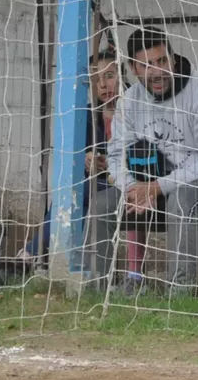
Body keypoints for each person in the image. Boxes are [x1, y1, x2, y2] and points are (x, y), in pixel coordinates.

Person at [86, 28, 198, 294]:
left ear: (173, 59)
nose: (157, 71)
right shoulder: (130, 102)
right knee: (102, 204)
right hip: (160, 192)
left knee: (183, 198)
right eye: (146, 65)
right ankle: (96, 291)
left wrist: (157, 187)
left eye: (162, 61)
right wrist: (134, 189)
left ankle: (179, 293)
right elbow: (117, 155)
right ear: (132, 69)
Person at [17, 50, 147, 282]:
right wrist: (87, 159)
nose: (104, 85)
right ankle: (67, 265)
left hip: (137, 181)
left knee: (90, 194)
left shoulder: (140, 109)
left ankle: (31, 254)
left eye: (109, 76)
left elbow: (148, 153)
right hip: (101, 184)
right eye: (95, 80)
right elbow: (73, 159)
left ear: (122, 74)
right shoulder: (86, 116)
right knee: (77, 190)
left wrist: (114, 163)